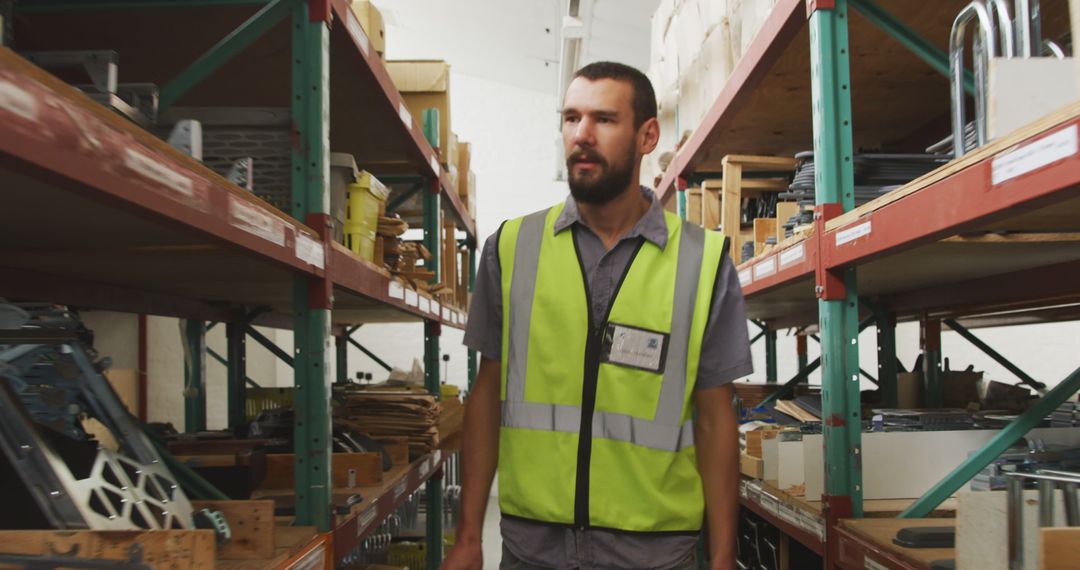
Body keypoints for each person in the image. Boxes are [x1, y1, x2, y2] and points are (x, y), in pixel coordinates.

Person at [442, 61, 751, 570]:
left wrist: (722, 557)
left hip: (654, 551)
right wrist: (468, 537)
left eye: (603, 120)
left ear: (647, 135)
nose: (581, 135)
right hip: (532, 550)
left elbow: (716, 418)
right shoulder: (512, 248)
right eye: (571, 118)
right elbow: (486, 396)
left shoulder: (702, 262)